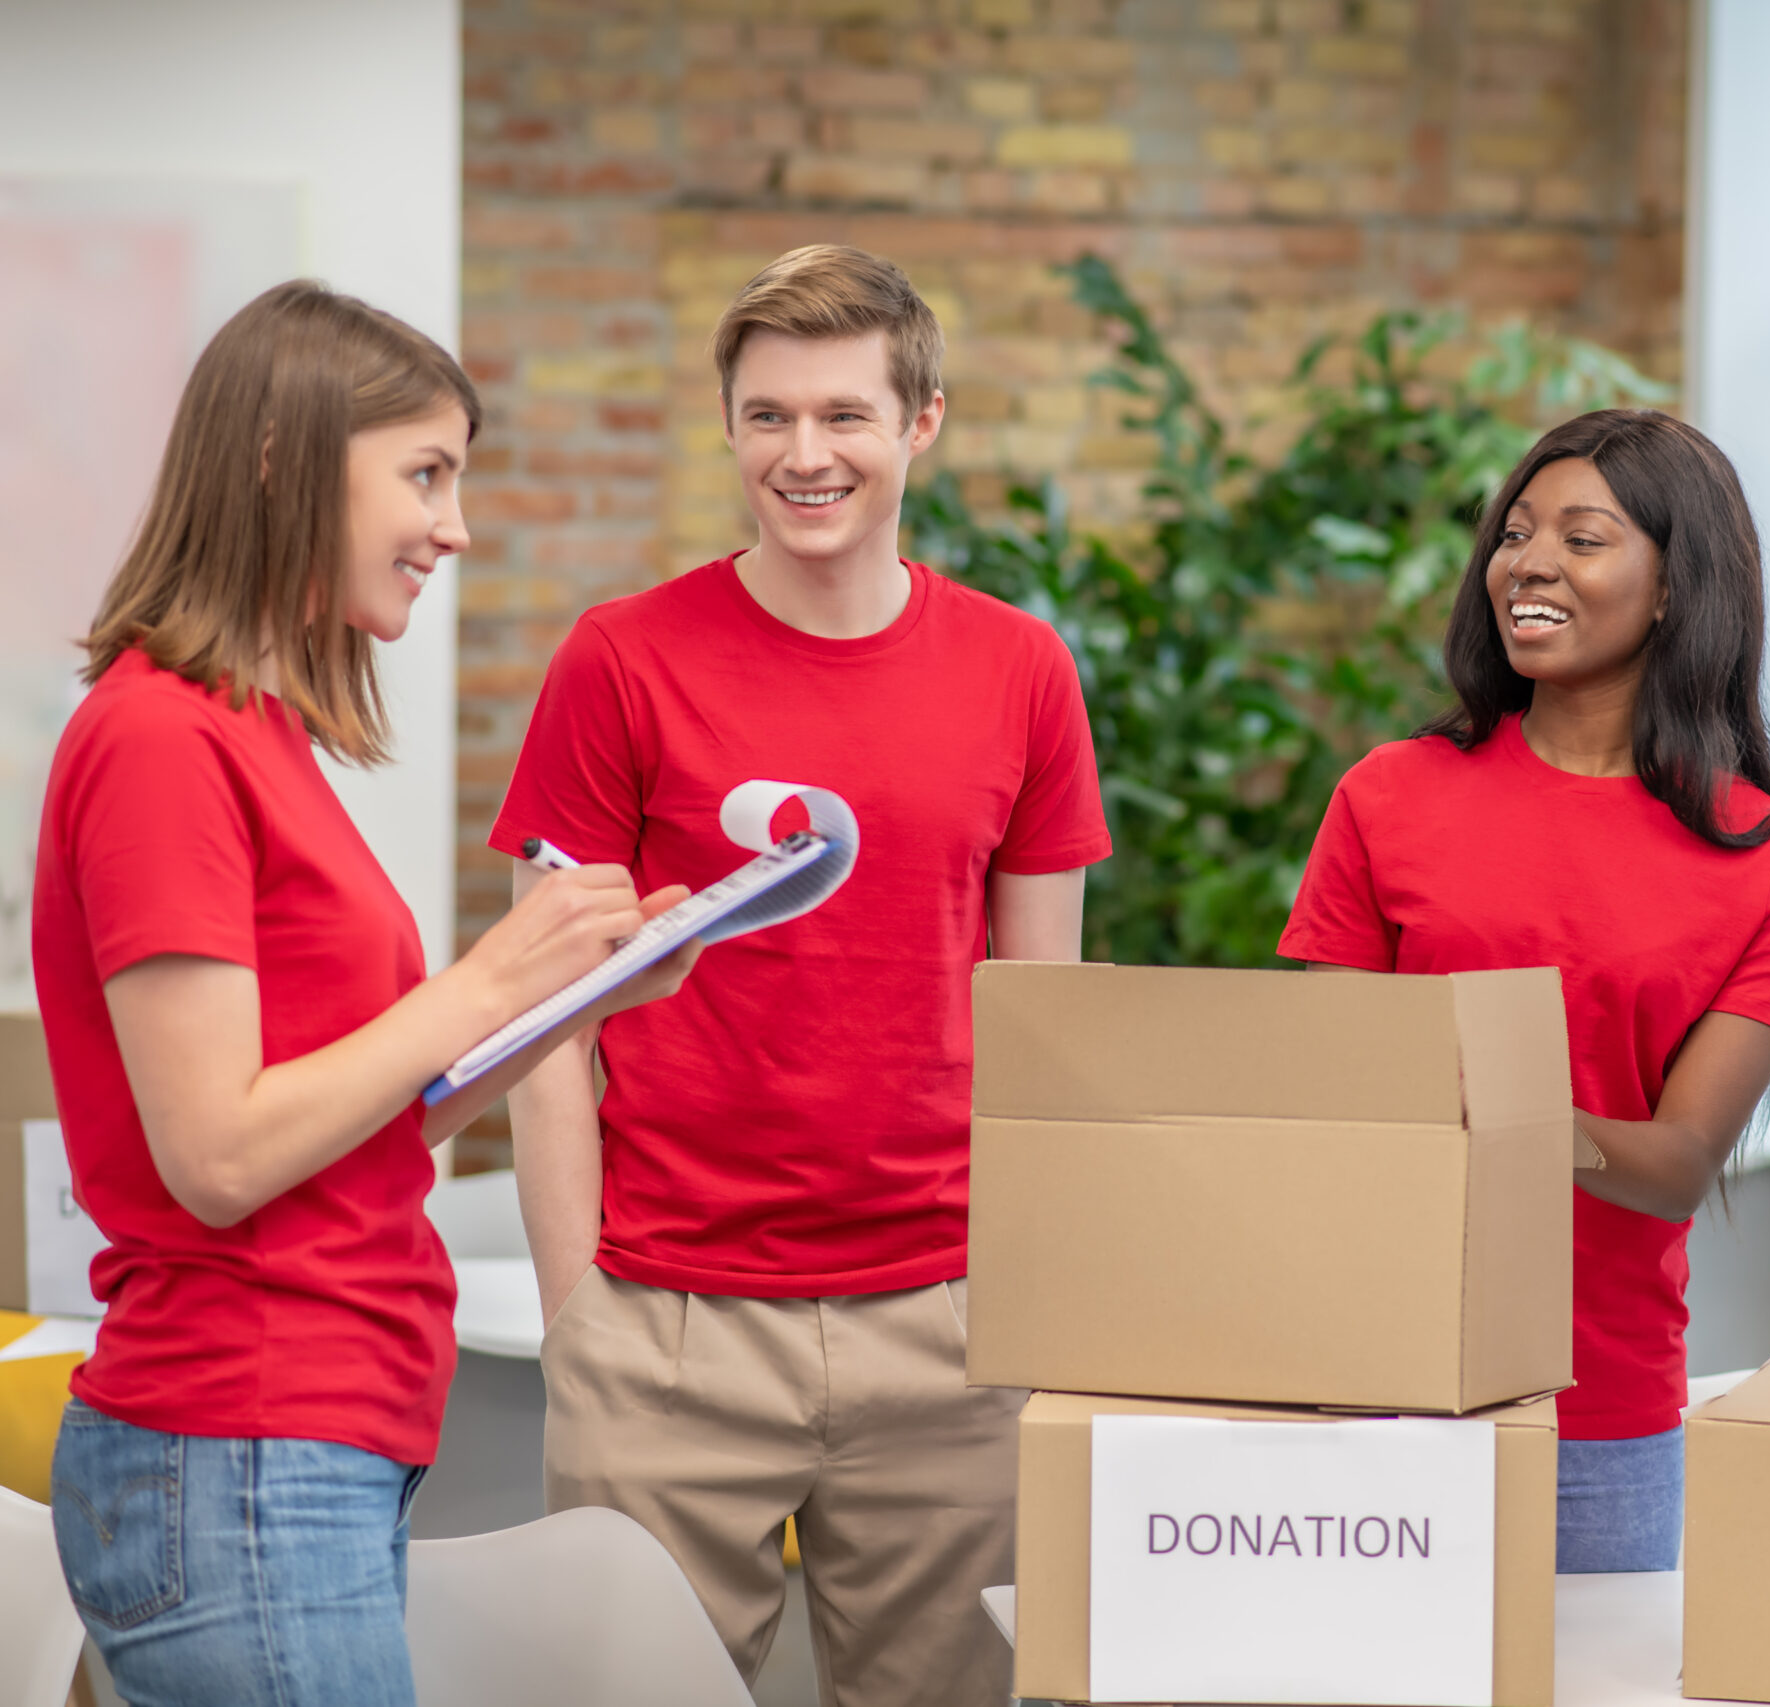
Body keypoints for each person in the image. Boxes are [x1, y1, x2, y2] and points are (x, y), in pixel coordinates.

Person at [33, 281, 695, 1705]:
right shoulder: (159, 739)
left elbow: (372, 1106)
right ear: (284, 461)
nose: (454, 526)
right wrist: (480, 980)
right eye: (427, 474)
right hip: (242, 1436)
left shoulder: (255, 734)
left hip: (308, 1437)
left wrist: (584, 994)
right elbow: (218, 1155)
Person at [494, 244, 1108, 1705]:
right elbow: (541, 1004)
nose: (804, 453)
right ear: (727, 426)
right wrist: (582, 1302)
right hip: (664, 1325)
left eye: (843, 414)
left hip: (947, 1328)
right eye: (768, 416)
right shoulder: (622, 659)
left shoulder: (1023, 670)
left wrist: (1024, 1305)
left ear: (922, 424)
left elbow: (1045, 1023)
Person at [1281, 408, 1770, 1572]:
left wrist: (1507, 1117)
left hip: (1599, 1415)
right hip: (1369, 1378)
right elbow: (1322, 1097)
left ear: (1676, 587)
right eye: (1517, 533)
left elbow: (1679, 1163)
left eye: (1582, 539)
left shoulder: (1768, 859)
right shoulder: (1390, 798)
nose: (1529, 564)